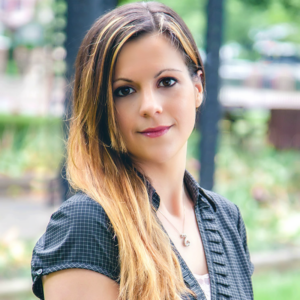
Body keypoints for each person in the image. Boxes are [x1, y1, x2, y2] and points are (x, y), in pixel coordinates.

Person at [31, 2, 254, 300]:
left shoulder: (226, 217)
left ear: (198, 87)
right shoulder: (87, 225)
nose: (150, 106)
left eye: (167, 82)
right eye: (124, 90)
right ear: (101, 107)